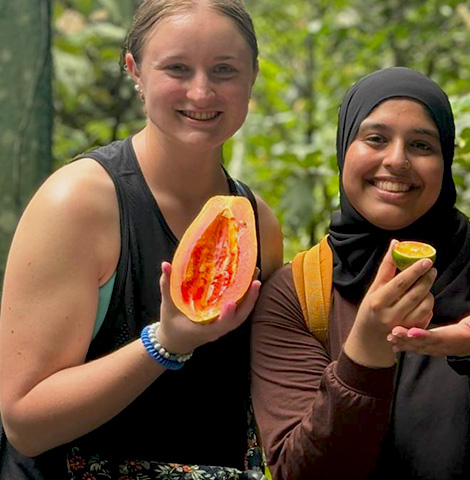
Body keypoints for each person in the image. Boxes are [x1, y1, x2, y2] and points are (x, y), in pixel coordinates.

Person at [248, 66, 470, 479]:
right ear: (344, 148)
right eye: (375, 139)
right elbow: (299, 471)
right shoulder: (297, 293)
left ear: (446, 160)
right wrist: (364, 353)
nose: (397, 160)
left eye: (421, 145)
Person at [0, 0, 283, 478]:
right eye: (177, 67)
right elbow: (24, 423)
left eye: (224, 70)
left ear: (252, 76)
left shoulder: (259, 224)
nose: (201, 91)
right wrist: (165, 343)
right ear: (135, 70)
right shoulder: (78, 203)